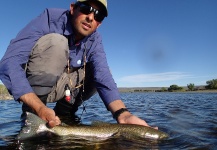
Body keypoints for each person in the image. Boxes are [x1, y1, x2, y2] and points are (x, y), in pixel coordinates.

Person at [0, 0, 155, 128]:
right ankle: (33, 115)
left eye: (98, 15)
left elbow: (103, 76)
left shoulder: (95, 39)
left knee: (103, 70)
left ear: (99, 24)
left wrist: (123, 114)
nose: (90, 17)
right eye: (87, 8)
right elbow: (9, 63)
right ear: (73, 8)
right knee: (56, 43)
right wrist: (39, 107)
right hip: (35, 91)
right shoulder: (49, 18)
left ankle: (64, 115)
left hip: (65, 89)